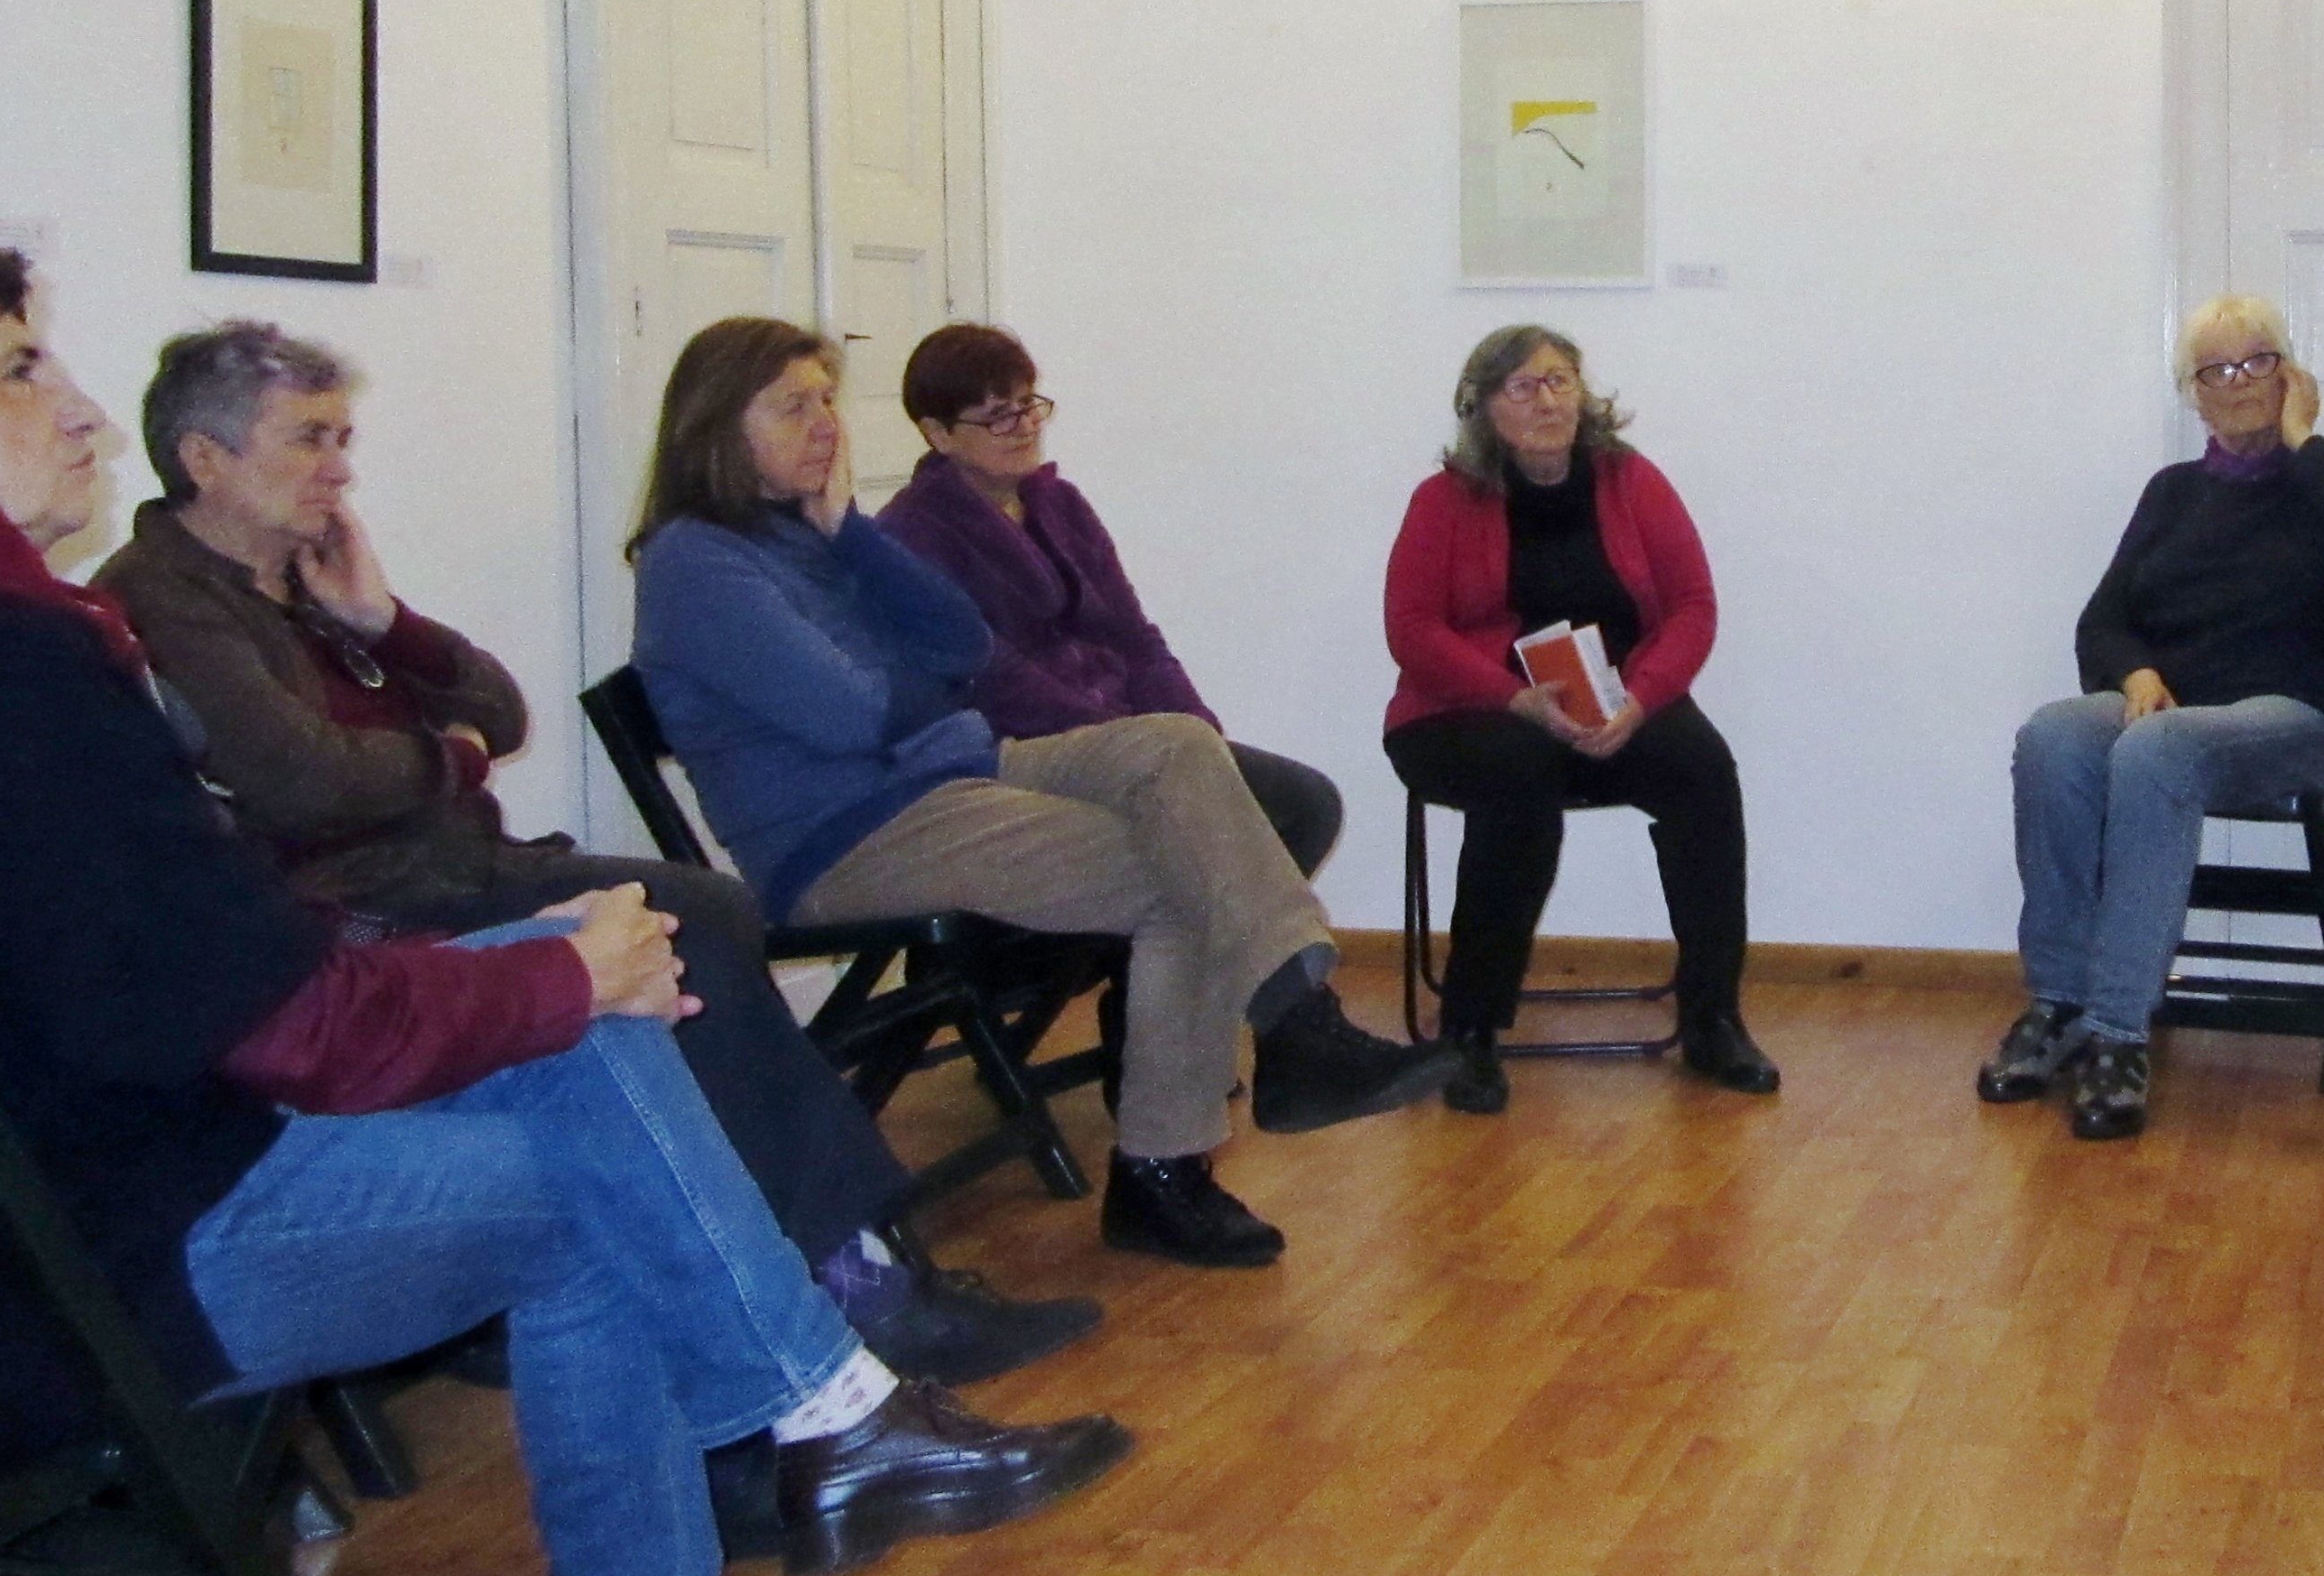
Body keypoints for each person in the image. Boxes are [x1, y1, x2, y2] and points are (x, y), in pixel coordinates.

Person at [0, 227, 1124, 1576]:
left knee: (591, 1030)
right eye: (18, 370)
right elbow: (290, 1027)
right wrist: (561, 974)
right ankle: (794, 1449)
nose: (80, 410)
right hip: (52, 1294)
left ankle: (828, 1416)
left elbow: (171, 980)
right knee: (602, 1183)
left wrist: (548, 969)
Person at [92, 320, 1098, 1404]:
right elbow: (305, 780)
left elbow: (498, 707)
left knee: (703, 909)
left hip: (461, 867)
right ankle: (855, 1281)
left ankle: (830, 1261)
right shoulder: (165, 598)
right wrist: (449, 759)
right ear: (206, 458)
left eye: (341, 437)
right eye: (309, 439)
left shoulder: (309, 579)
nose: (340, 468)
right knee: (685, 936)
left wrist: (383, 621)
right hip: (361, 916)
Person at [628, 316, 1449, 1273]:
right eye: (792, 407)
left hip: (956, 769)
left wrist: (850, 534)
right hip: (846, 834)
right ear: (717, 426)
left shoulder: (812, 535)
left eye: (826, 401)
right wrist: (907, 683)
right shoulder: (694, 562)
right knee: (1182, 870)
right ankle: (1169, 1169)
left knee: (1178, 748)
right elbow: (850, 716)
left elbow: (962, 644)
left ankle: (1298, 1022)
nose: (825, 426)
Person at [1987, 295, 2324, 1141]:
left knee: (2158, 749)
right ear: (2193, 393)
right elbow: (2103, 621)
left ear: (2290, 373)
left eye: (2259, 360)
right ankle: (2058, 1003)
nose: (2240, 382)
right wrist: (2138, 671)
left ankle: (2118, 1033)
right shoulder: (2172, 494)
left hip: (2306, 722)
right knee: (2054, 736)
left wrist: (2304, 441)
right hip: (2179, 713)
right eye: (2216, 370)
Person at [1381, 326, 1773, 1111]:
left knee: (1701, 769)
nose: (1547, 399)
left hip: (1613, 701)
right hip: (1467, 711)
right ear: (1484, 406)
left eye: (1560, 380)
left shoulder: (1632, 481)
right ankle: (1470, 1031)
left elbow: (1693, 606)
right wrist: (1513, 698)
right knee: (1518, 775)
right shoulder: (1443, 500)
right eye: (1523, 386)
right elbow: (1412, 629)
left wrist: (1641, 697)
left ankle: (1712, 1019)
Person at [874, 321, 1344, 877]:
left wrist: (1196, 730)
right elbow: (997, 681)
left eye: (1029, 405)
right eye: (999, 415)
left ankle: (1209, 933)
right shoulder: (912, 534)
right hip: (1030, 751)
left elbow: (1136, 638)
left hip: (1132, 732)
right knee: (1200, 838)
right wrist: (1124, 741)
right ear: (939, 433)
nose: (1025, 426)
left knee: (1306, 805)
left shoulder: (1061, 503)